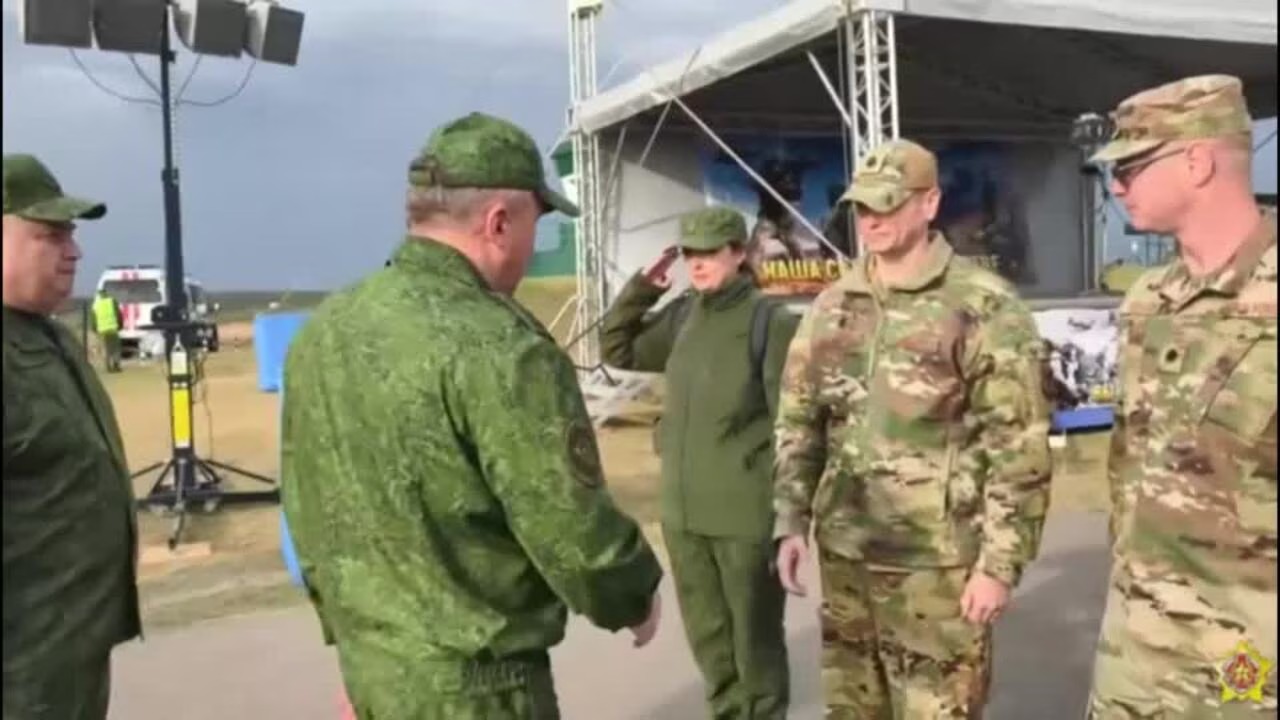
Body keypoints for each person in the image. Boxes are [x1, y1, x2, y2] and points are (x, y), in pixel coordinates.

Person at [280, 112, 664, 720]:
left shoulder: (325, 331)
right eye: (536, 223)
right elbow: (568, 527)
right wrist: (633, 593)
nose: (531, 246)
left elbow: (308, 508)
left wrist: (368, 656)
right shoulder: (502, 348)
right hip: (481, 691)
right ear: (499, 222)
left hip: (374, 677)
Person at [771, 139, 1053, 718]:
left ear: (930, 204)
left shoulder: (983, 306)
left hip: (938, 566)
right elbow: (800, 419)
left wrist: (999, 566)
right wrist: (790, 519)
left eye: (888, 204)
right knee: (854, 710)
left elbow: (1018, 447)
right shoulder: (833, 305)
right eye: (862, 207)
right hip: (848, 558)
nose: (871, 220)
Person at [1083, 74, 1277, 717]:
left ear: (1197, 162)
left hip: (1249, 660)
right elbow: (1128, 467)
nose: (1117, 185)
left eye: (1132, 166)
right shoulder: (1148, 301)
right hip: (1136, 649)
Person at [600, 206, 801, 720]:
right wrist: (643, 289)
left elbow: (793, 428)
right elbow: (617, 348)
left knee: (754, 649)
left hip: (743, 518)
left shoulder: (769, 322)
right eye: (690, 253)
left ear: (738, 253)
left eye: (709, 252)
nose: (697, 263)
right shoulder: (684, 316)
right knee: (712, 649)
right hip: (684, 517)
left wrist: (790, 520)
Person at [2, 153, 141, 719]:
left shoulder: (45, 336)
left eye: (71, 234)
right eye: (50, 235)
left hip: (65, 653)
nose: (74, 252)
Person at [91, 288, 123, 372]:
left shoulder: (96, 305)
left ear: (99, 295)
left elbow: (93, 319)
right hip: (113, 329)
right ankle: (116, 365)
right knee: (115, 348)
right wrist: (120, 325)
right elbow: (118, 314)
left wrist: (94, 329)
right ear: (106, 293)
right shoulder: (112, 301)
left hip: (102, 330)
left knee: (105, 348)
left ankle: (108, 366)